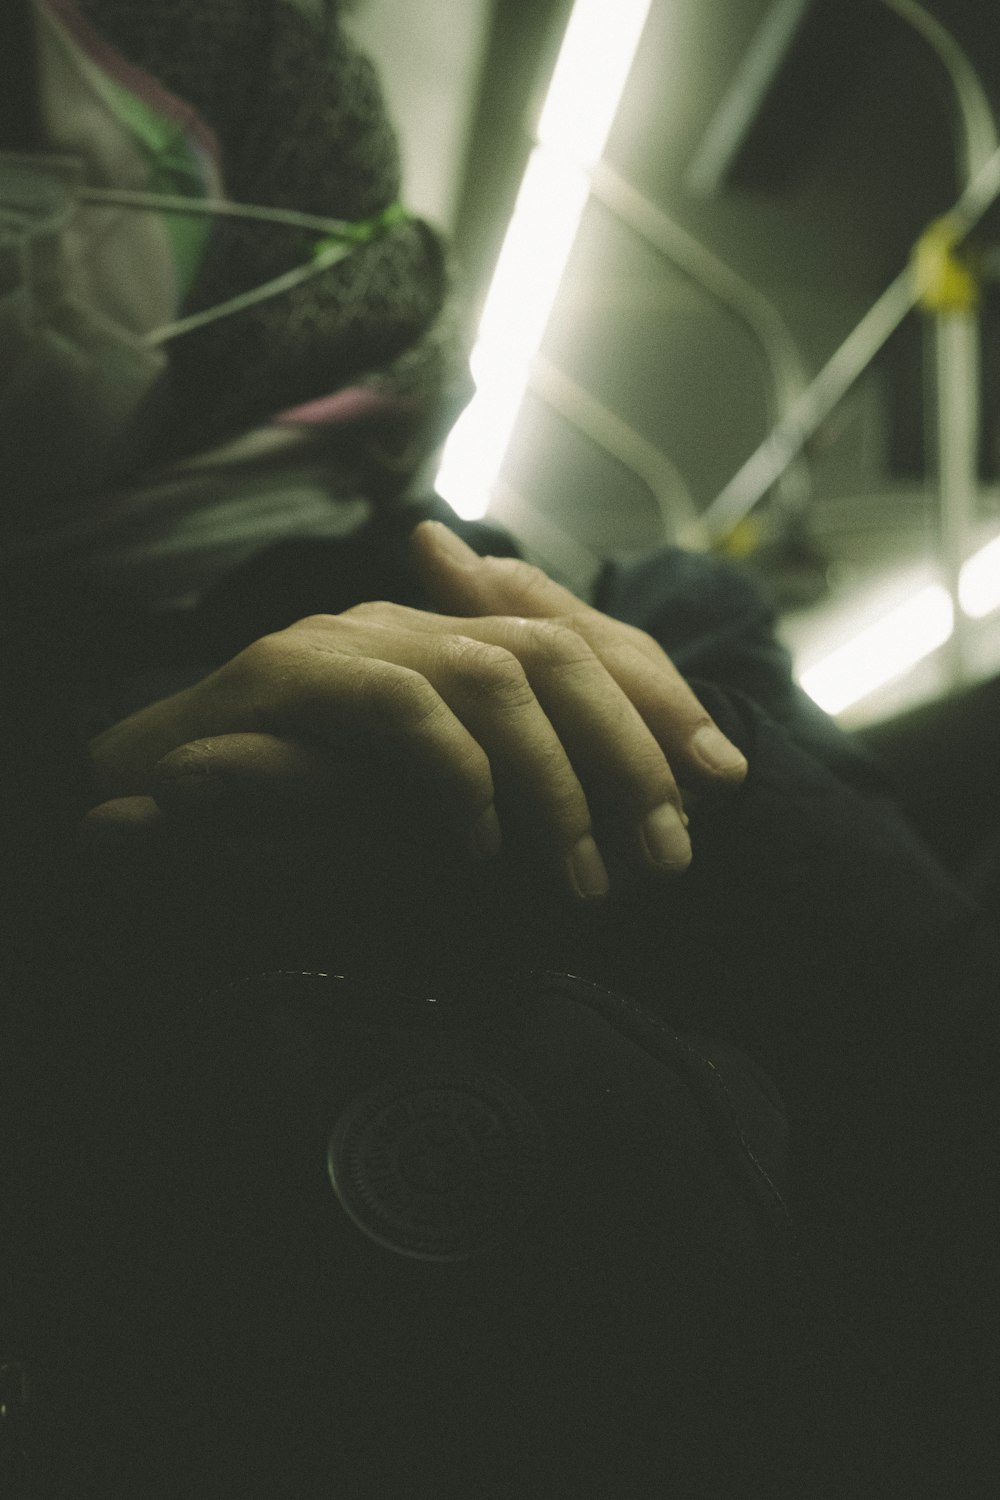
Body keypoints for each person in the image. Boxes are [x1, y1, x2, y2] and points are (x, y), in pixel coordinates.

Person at [1, 2, 998, 1495]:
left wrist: (660, 757)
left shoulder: (655, 625)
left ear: (263, 200)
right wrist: (64, 855)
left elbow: (933, 1087)